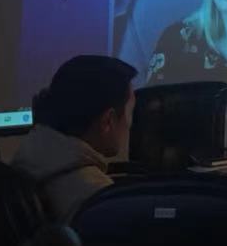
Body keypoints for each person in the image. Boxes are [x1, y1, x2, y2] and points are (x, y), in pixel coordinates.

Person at [13, 55, 137, 221]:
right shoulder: (99, 200)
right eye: (130, 113)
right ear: (108, 121)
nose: (130, 123)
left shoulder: (27, 158)